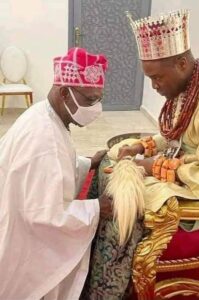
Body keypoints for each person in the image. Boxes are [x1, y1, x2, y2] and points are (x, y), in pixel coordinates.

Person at [82, 10, 199, 299]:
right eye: (149, 78)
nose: (154, 86)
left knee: (123, 203)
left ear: (182, 63)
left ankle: (109, 289)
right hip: (189, 171)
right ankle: (90, 262)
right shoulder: (190, 84)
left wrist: (155, 167)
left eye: (157, 77)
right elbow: (176, 131)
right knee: (113, 162)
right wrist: (141, 147)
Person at [0, 47, 112, 300]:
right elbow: (45, 215)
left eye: (98, 99)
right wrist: (97, 208)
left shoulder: (43, 114)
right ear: (64, 92)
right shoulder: (44, 139)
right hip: (21, 242)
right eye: (90, 100)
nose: (96, 108)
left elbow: (51, 174)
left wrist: (86, 163)